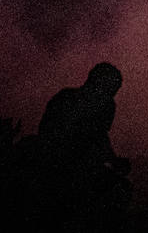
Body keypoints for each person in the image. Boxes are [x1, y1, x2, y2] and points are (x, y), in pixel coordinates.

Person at [31, 61, 131, 229]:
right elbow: (94, 137)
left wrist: (111, 160)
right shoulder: (78, 101)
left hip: (65, 163)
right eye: (111, 89)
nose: (112, 95)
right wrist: (111, 161)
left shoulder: (69, 97)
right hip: (63, 166)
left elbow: (98, 137)